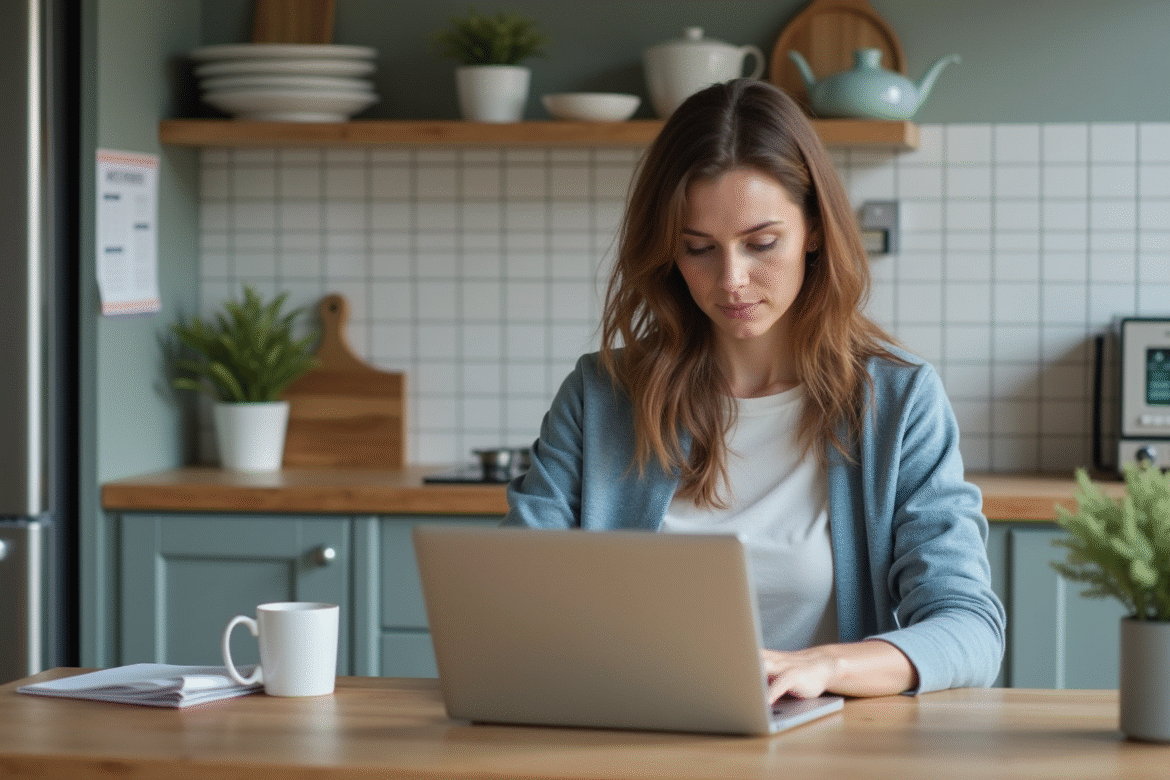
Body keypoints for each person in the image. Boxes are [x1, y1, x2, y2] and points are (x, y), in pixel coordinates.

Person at [502, 78, 1005, 703]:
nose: (732, 279)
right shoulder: (601, 395)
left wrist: (826, 667)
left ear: (814, 230)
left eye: (761, 243)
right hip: (630, 738)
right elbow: (516, 600)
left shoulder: (898, 401)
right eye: (699, 249)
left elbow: (969, 629)